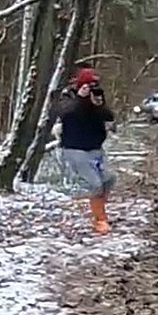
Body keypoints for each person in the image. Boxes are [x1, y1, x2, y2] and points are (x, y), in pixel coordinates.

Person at [51, 66, 117, 234]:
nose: (91, 89)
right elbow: (64, 112)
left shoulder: (96, 98)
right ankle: (99, 220)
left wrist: (99, 105)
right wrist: (81, 98)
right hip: (75, 148)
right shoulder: (68, 97)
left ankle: (99, 210)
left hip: (95, 148)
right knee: (95, 184)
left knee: (109, 179)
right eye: (89, 85)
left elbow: (109, 117)